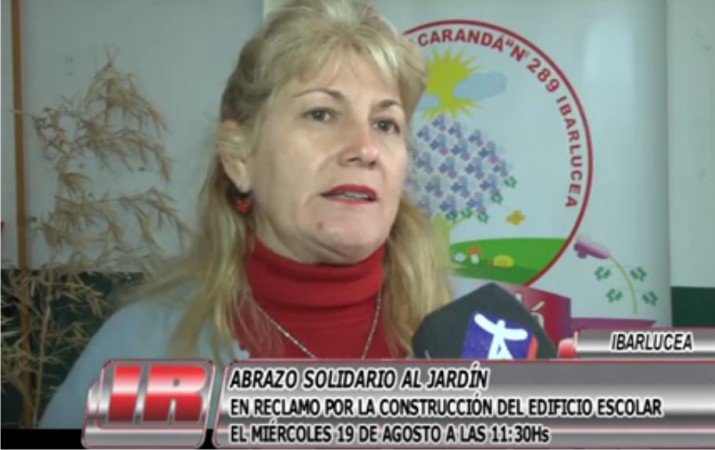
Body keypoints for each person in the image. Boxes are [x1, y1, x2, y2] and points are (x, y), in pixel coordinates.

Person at [38, 0, 453, 428]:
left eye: (385, 124)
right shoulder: (145, 350)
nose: (365, 148)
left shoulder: (470, 340)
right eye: (321, 114)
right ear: (238, 157)